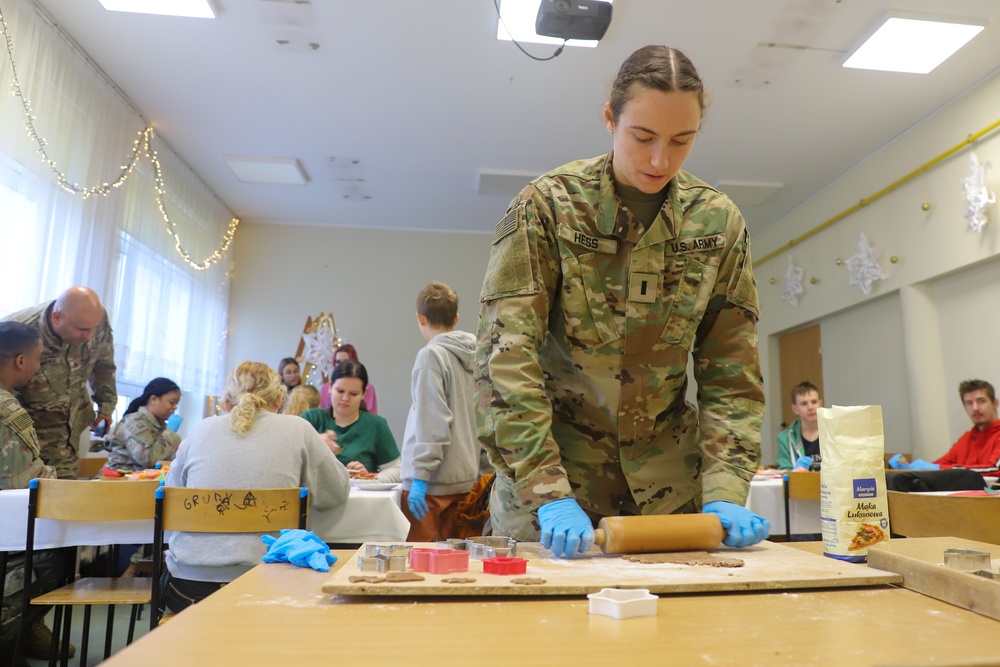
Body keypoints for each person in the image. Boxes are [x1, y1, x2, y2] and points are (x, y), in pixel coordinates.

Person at [475, 45, 768, 558]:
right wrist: (546, 492)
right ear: (610, 118)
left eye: (682, 140)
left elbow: (732, 375)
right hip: (548, 494)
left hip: (670, 499)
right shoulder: (546, 208)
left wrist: (725, 490)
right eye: (643, 137)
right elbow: (506, 360)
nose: (661, 159)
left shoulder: (718, 224)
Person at [160, 361, 349, 615]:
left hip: (189, 588)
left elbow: (173, 498)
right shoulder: (299, 429)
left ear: (227, 399)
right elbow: (335, 493)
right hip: (273, 584)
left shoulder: (200, 429)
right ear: (280, 398)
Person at [0, 321, 74, 662]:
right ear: (20, 361)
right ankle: (11, 638)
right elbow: (25, 484)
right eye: (38, 357)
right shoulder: (8, 411)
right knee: (53, 555)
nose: (39, 365)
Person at [2, 287, 116, 479]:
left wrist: (105, 407)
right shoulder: (18, 331)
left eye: (94, 328)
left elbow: (104, 366)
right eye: (82, 329)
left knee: (63, 496)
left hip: (68, 436)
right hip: (25, 439)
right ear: (56, 317)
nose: (89, 335)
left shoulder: (93, 318)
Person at [400, 282, 482, 541]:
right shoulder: (480, 356)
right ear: (456, 318)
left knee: (420, 566)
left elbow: (432, 419)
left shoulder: (430, 356)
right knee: (456, 566)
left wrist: (421, 477)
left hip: (430, 488)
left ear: (420, 317)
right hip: (467, 481)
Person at [301, 360, 400, 482]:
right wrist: (313, 443)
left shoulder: (377, 426)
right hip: (316, 498)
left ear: (364, 394)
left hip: (362, 499)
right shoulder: (310, 419)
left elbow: (396, 469)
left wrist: (368, 478)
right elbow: (287, 454)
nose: (345, 398)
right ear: (330, 387)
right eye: (340, 391)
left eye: (353, 394)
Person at [889, 379, 1000, 473]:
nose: (975, 408)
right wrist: (910, 469)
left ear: (995, 403)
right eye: (969, 403)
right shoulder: (965, 439)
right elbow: (941, 464)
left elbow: (995, 469)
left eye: (981, 401)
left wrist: (939, 468)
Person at [105, 377, 182, 472]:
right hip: (118, 481)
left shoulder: (159, 425)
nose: (174, 407)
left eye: (176, 404)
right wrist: (170, 434)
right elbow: (147, 460)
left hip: (139, 480)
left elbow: (165, 458)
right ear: (154, 399)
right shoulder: (135, 422)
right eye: (172, 402)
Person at [776, 382, 823, 471]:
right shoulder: (785, 438)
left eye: (814, 402)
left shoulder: (833, 432)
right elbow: (784, 470)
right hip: (801, 484)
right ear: (795, 409)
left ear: (820, 404)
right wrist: (795, 472)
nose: (810, 407)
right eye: (804, 403)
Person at [319, 344, 378, 414]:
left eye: (353, 393)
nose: (341, 365)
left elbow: (371, 415)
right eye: (338, 362)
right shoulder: (325, 387)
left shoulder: (368, 388)